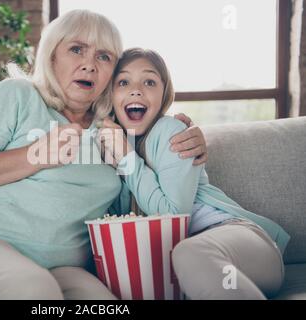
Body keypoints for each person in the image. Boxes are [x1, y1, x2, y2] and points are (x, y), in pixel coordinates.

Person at [0, 10, 207, 300]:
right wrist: (33, 156)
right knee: (33, 292)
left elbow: (147, 183)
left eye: (104, 57)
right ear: (52, 56)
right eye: (77, 49)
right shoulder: (18, 95)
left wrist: (175, 130)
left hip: (62, 268)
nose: (90, 64)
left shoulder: (114, 132)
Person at [98, 48, 290, 299]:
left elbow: (171, 216)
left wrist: (127, 157)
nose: (136, 90)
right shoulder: (107, 147)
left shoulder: (171, 132)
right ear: (110, 95)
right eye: (123, 82)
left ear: (164, 94)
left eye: (149, 81)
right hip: (197, 268)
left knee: (190, 253)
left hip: (238, 244)